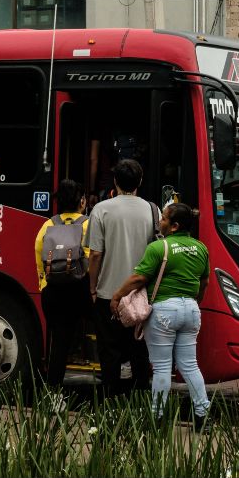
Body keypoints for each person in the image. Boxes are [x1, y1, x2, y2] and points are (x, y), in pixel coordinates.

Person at [111, 203, 211, 431]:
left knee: (162, 367)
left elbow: (138, 279)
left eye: (164, 219)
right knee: (190, 366)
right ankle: (202, 416)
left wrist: (117, 296)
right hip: (191, 310)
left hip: (165, 312)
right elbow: (203, 282)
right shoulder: (201, 248)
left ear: (174, 226)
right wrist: (195, 303)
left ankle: (156, 419)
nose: (160, 223)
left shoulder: (159, 247)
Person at [86, 159, 154, 397]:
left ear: (115, 181)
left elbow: (95, 255)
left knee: (109, 351)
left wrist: (92, 289)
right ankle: (141, 399)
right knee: (139, 350)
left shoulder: (101, 210)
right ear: (140, 182)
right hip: (140, 295)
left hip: (108, 294)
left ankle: (109, 400)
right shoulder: (152, 210)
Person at [34, 179, 91, 387]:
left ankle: (53, 392)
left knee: (59, 343)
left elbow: (40, 258)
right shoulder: (87, 224)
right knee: (104, 335)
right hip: (81, 291)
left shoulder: (47, 225)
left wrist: (44, 286)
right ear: (82, 201)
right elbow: (91, 260)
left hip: (53, 292)